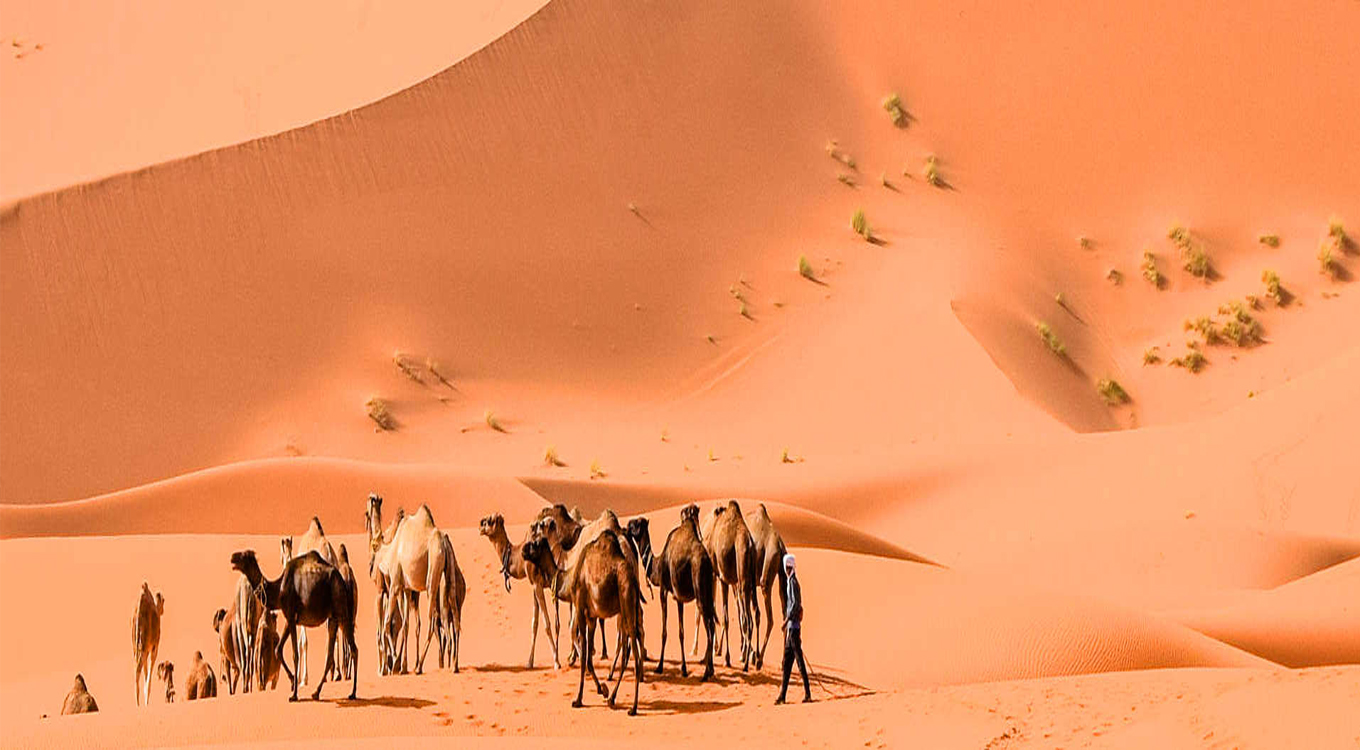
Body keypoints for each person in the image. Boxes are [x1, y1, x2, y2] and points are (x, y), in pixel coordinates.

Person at [775, 552, 812, 704]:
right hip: (792, 629)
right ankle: (782, 696)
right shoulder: (792, 581)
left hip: (793, 628)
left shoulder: (792, 583)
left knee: (799, 662)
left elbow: (795, 604)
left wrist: (786, 620)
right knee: (788, 664)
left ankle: (808, 693)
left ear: (787, 566)